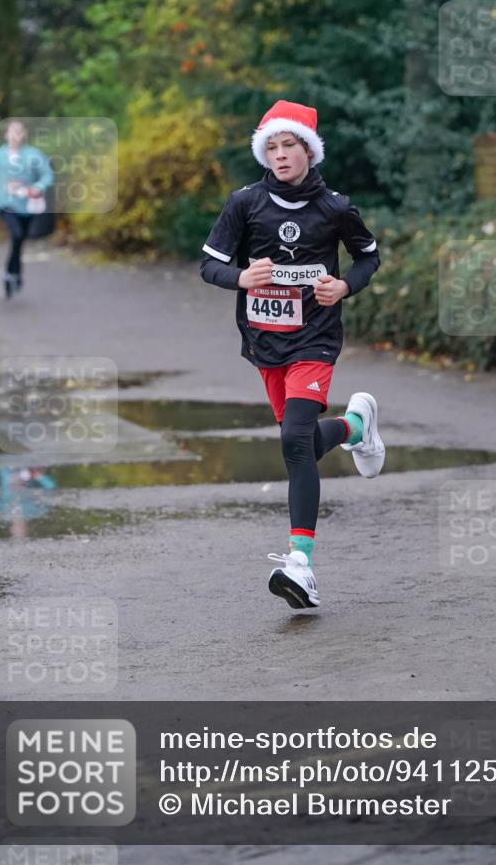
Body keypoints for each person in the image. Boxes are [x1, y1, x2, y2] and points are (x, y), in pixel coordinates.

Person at [200, 99, 385, 610]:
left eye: (290, 146)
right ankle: (355, 428)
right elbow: (209, 265)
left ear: (308, 151)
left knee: (294, 440)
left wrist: (344, 286)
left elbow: (368, 258)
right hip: (265, 342)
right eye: (272, 147)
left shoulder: (336, 208)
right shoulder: (245, 204)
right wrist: (240, 276)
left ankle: (299, 564)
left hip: (316, 338)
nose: (280, 156)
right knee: (299, 441)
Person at [0, 119, 54, 298]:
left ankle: (11, 272)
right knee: (16, 235)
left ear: (24, 134)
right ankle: (13, 274)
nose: (17, 135)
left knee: (19, 241)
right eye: (13, 132)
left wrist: (39, 187)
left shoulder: (34, 154)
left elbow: (47, 174)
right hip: (5, 204)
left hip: (27, 206)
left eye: (20, 131)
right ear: (6, 135)